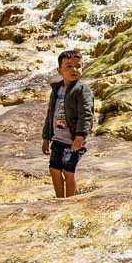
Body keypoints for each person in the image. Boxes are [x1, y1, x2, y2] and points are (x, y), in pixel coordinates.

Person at [42, 50, 94, 198]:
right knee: (54, 169)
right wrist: (46, 137)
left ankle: (69, 201)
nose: (74, 69)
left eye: (78, 66)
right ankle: (60, 199)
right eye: (69, 66)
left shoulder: (82, 89)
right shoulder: (56, 89)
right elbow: (50, 114)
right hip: (57, 139)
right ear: (60, 70)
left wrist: (80, 136)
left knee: (68, 171)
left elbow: (86, 114)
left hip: (73, 141)